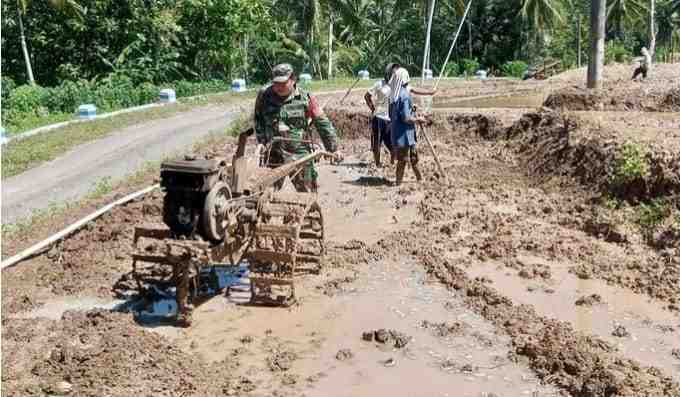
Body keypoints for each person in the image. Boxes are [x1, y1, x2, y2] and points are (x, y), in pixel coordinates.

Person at [254, 63, 342, 192]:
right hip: (273, 152)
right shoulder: (264, 95)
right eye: (275, 83)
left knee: (307, 193)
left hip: (299, 153)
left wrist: (334, 148)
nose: (278, 87)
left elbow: (322, 122)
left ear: (293, 79)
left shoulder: (306, 98)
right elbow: (258, 118)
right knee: (265, 193)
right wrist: (261, 141)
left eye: (283, 83)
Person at [388, 67, 426, 186]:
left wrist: (411, 108)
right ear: (407, 79)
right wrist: (418, 119)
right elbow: (406, 118)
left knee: (411, 157)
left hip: (400, 133)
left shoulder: (393, 95)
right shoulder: (405, 95)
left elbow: (395, 113)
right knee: (403, 160)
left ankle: (419, 178)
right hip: (405, 134)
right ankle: (398, 183)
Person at [364, 63, 399, 167]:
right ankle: (378, 164)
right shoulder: (379, 84)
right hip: (379, 117)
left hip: (390, 119)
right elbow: (367, 96)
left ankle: (392, 162)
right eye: (393, 73)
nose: (395, 76)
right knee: (377, 142)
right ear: (388, 73)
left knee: (392, 143)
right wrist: (373, 109)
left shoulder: (396, 87)